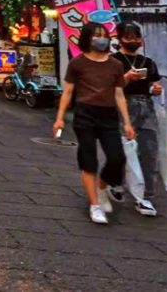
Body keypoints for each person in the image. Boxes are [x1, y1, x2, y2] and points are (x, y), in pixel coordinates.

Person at [52, 22, 137, 225]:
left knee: (117, 158)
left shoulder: (115, 65)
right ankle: (94, 205)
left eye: (104, 35)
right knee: (89, 160)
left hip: (108, 115)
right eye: (96, 35)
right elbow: (68, 92)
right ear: (87, 38)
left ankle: (101, 187)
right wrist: (60, 118)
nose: (101, 38)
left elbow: (119, 95)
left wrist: (127, 123)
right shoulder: (78, 63)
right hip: (85, 114)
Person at [114, 22, 161, 217]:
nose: (132, 40)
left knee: (149, 152)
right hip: (122, 106)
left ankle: (145, 197)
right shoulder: (114, 61)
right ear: (119, 39)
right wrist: (126, 78)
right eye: (128, 37)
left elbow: (155, 85)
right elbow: (111, 87)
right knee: (121, 151)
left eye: (135, 37)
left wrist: (156, 89)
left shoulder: (148, 62)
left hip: (146, 108)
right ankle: (115, 183)